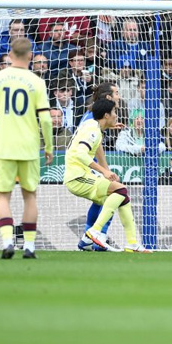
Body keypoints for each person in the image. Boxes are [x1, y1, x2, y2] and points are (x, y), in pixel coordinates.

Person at [0, 38, 53, 259]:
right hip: (29, 147)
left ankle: (7, 242)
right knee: (30, 196)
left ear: (10, 55)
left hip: (4, 146)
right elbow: (47, 120)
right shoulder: (37, 82)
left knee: (3, 197)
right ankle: (29, 246)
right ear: (30, 56)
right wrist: (48, 146)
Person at [63, 98, 149, 253]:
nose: (116, 115)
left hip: (81, 175)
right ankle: (94, 232)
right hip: (77, 177)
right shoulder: (93, 131)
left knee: (123, 197)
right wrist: (104, 171)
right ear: (106, 115)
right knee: (120, 190)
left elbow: (93, 141)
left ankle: (132, 243)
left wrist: (109, 126)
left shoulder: (92, 125)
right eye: (114, 112)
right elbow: (80, 154)